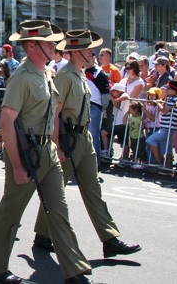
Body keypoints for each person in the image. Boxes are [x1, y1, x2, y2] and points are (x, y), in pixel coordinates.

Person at [0, 21, 95, 284]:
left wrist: (55, 146)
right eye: (48, 43)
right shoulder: (22, 77)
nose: (54, 46)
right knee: (10, 214)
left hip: (47, 151)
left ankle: (75, 271)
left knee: (59, 212)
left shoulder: (46, 73)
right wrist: (17, 165)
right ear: (32, 45)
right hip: (26, 155)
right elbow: (8, 121)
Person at [30, 29, 141, 269]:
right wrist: (57, 146)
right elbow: (54, 114)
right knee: (55, 192)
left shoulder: (80, 74)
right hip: (68, 142)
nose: (94, 53)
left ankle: (110, 239)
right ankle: (43, 234)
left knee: (93, 191)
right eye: (90, 49)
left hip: (84, 139)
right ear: (77, 50)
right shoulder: (65, 76)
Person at [146, 80, 177, 169]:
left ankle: (158, 161)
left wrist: (158, 103)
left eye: (168, 89)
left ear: (174, 90)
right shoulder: (171, 99)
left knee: (150, 140)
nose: (166, 90)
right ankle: (167, 169)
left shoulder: (174, 99)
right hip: (166, 126)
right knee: (167, 149)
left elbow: (165, 110)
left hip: (168, 127)